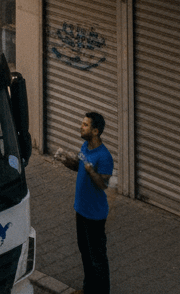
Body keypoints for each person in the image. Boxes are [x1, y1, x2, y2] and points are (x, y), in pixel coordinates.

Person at [56, 111, 114, 294]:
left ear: (95, 131)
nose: (81, 127)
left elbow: (103, 184)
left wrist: (90, 170)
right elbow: (79, 166)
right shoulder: (84, 146)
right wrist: (68, 161)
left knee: (97, 258)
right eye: (82, 123)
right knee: (85, 252)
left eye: (85, 125)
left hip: (94, 215)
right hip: (80, 209)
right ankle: (88, 289)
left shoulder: (104, 157)